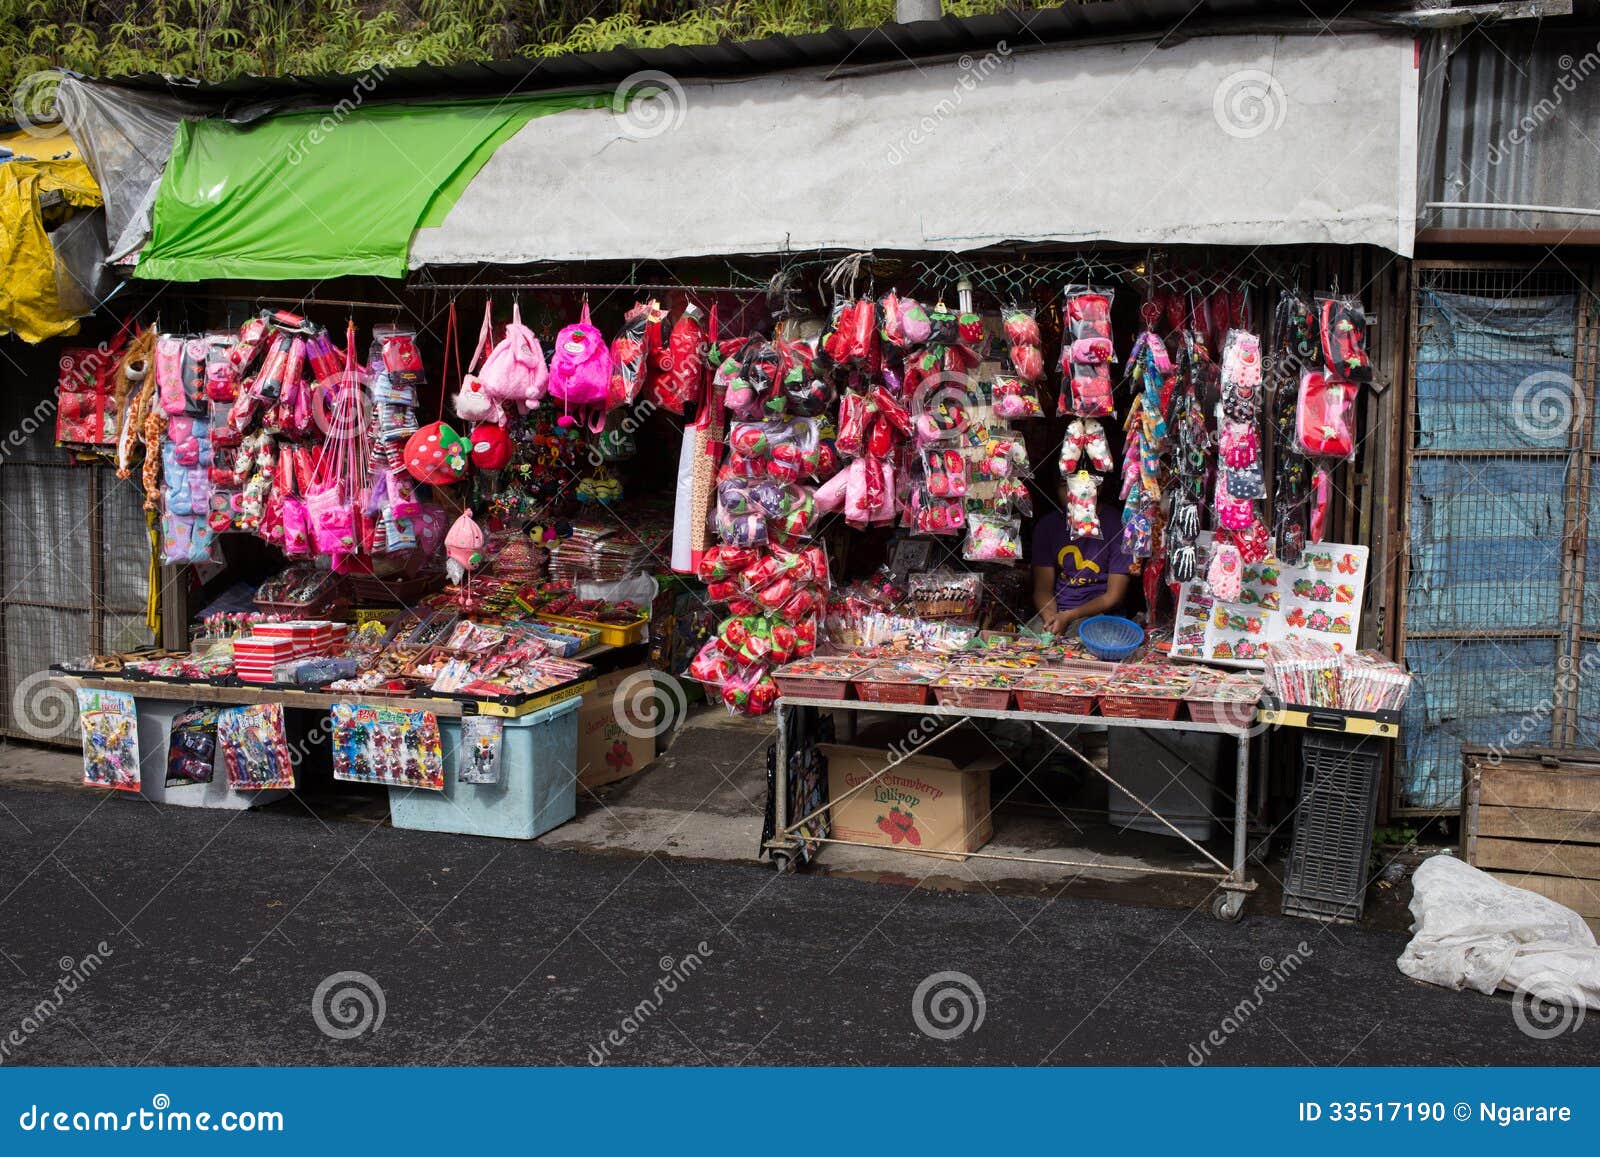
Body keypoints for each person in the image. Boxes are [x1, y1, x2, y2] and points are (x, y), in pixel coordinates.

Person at [1030, 475, 1131, 635]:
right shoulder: (1047, 526)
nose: (1073, 493)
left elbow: (1114, 595)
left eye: (1081, 486)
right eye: (1065, 486)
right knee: (1029, 645)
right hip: (1057, 609)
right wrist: (1051, 618)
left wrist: (1069, 616)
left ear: (1098, 487)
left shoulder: (1118, 525)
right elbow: (1042, 588)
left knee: (1079, 643)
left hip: (1100, 613)